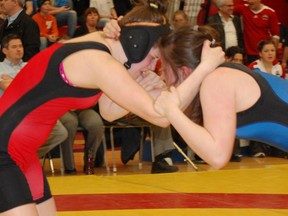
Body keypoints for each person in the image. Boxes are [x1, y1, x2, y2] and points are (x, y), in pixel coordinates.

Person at [1, 1, 225, 214]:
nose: (150, 66)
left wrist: (140, 84)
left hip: (23, 153)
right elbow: (162, 117)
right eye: (152, 58)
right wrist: (204, 69)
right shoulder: (100, 63)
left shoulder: (103, 48)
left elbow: (108, 111)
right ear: (137, 44)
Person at [151, 24, 288, 170]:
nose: (162, 74)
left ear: (184, 71)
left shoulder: (217, 81)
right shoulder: (219, 75)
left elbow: (218, 156)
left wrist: (172, 111)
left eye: (164, 68)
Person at [0, 33, 67, 166]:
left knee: (60, 132)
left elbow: (42, 88)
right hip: (11, 112)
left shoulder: (30, 65)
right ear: (5, 50)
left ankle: (21, 159)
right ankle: (16, 161)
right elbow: (10, 89)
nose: (19, 49)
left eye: (20, 46)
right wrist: (27, 85)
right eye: (14, 47)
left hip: (34, 111)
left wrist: (15, 82)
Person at [59, 107, 104, 175]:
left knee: (96, 124)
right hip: (64, 108)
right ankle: (69, 165)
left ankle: (89, 160)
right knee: (69, 124)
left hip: (86, 108)